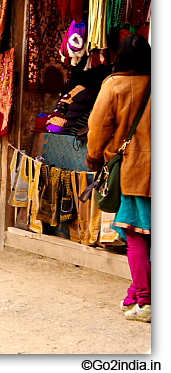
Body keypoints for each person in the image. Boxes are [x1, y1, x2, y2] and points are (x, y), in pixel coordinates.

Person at [86, 33, 151, 323]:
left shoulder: (114, 85)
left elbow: (97, 127)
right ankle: (136, 293)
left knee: (136, 235)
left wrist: (94, 157)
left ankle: (146, 301)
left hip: (134, 169)